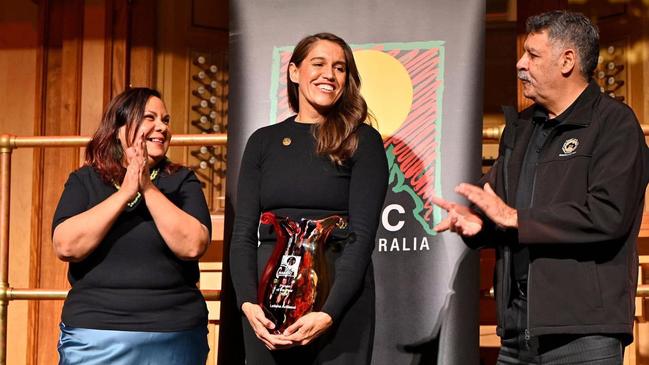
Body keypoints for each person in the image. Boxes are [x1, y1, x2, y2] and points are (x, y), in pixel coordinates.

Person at [432, 10, 649, 364]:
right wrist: (478, 225)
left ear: (567, 61)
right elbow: (500, 207)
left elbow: (608, 215)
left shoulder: (614, 124)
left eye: (532, 55)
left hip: (583, 334)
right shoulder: (520, 128)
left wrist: (517, 218)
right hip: (519, 333)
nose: (520, 64)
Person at [230, 32, 388, 364]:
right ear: (294, 72)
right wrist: (248, 304)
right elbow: (243, 234)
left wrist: (329, 313)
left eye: (340, 68)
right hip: (266, 307)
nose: (329, 74)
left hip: (337, 305)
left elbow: (361, 237)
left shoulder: (362, 140)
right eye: (318, 64)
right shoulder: (263, 142)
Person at [52, 88, 212, 364]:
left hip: (174, 331)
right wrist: (125, 192)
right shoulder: (85, 180)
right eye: (150, 118)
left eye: (166, 120)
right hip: (95, 333)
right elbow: (66, 246)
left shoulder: (182, 181)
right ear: (118, 128)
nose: (162, 127)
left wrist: (146, 187)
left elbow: (192, 246)